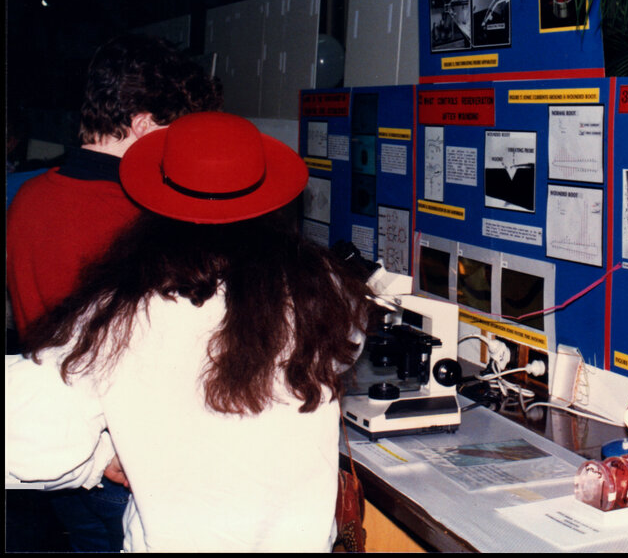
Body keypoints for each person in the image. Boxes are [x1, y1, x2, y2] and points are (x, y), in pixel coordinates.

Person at [7, 111, 372, 551]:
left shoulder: (116, 313)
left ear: (158, 202)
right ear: (269, 199)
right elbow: (342, 354)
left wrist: (101, 458)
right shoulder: (328, 293)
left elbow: (28, 447)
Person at [5, 33, 223, 552]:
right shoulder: (140, 218)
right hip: (127, 459)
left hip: (63, 455)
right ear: (144, 124)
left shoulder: (28, 196)